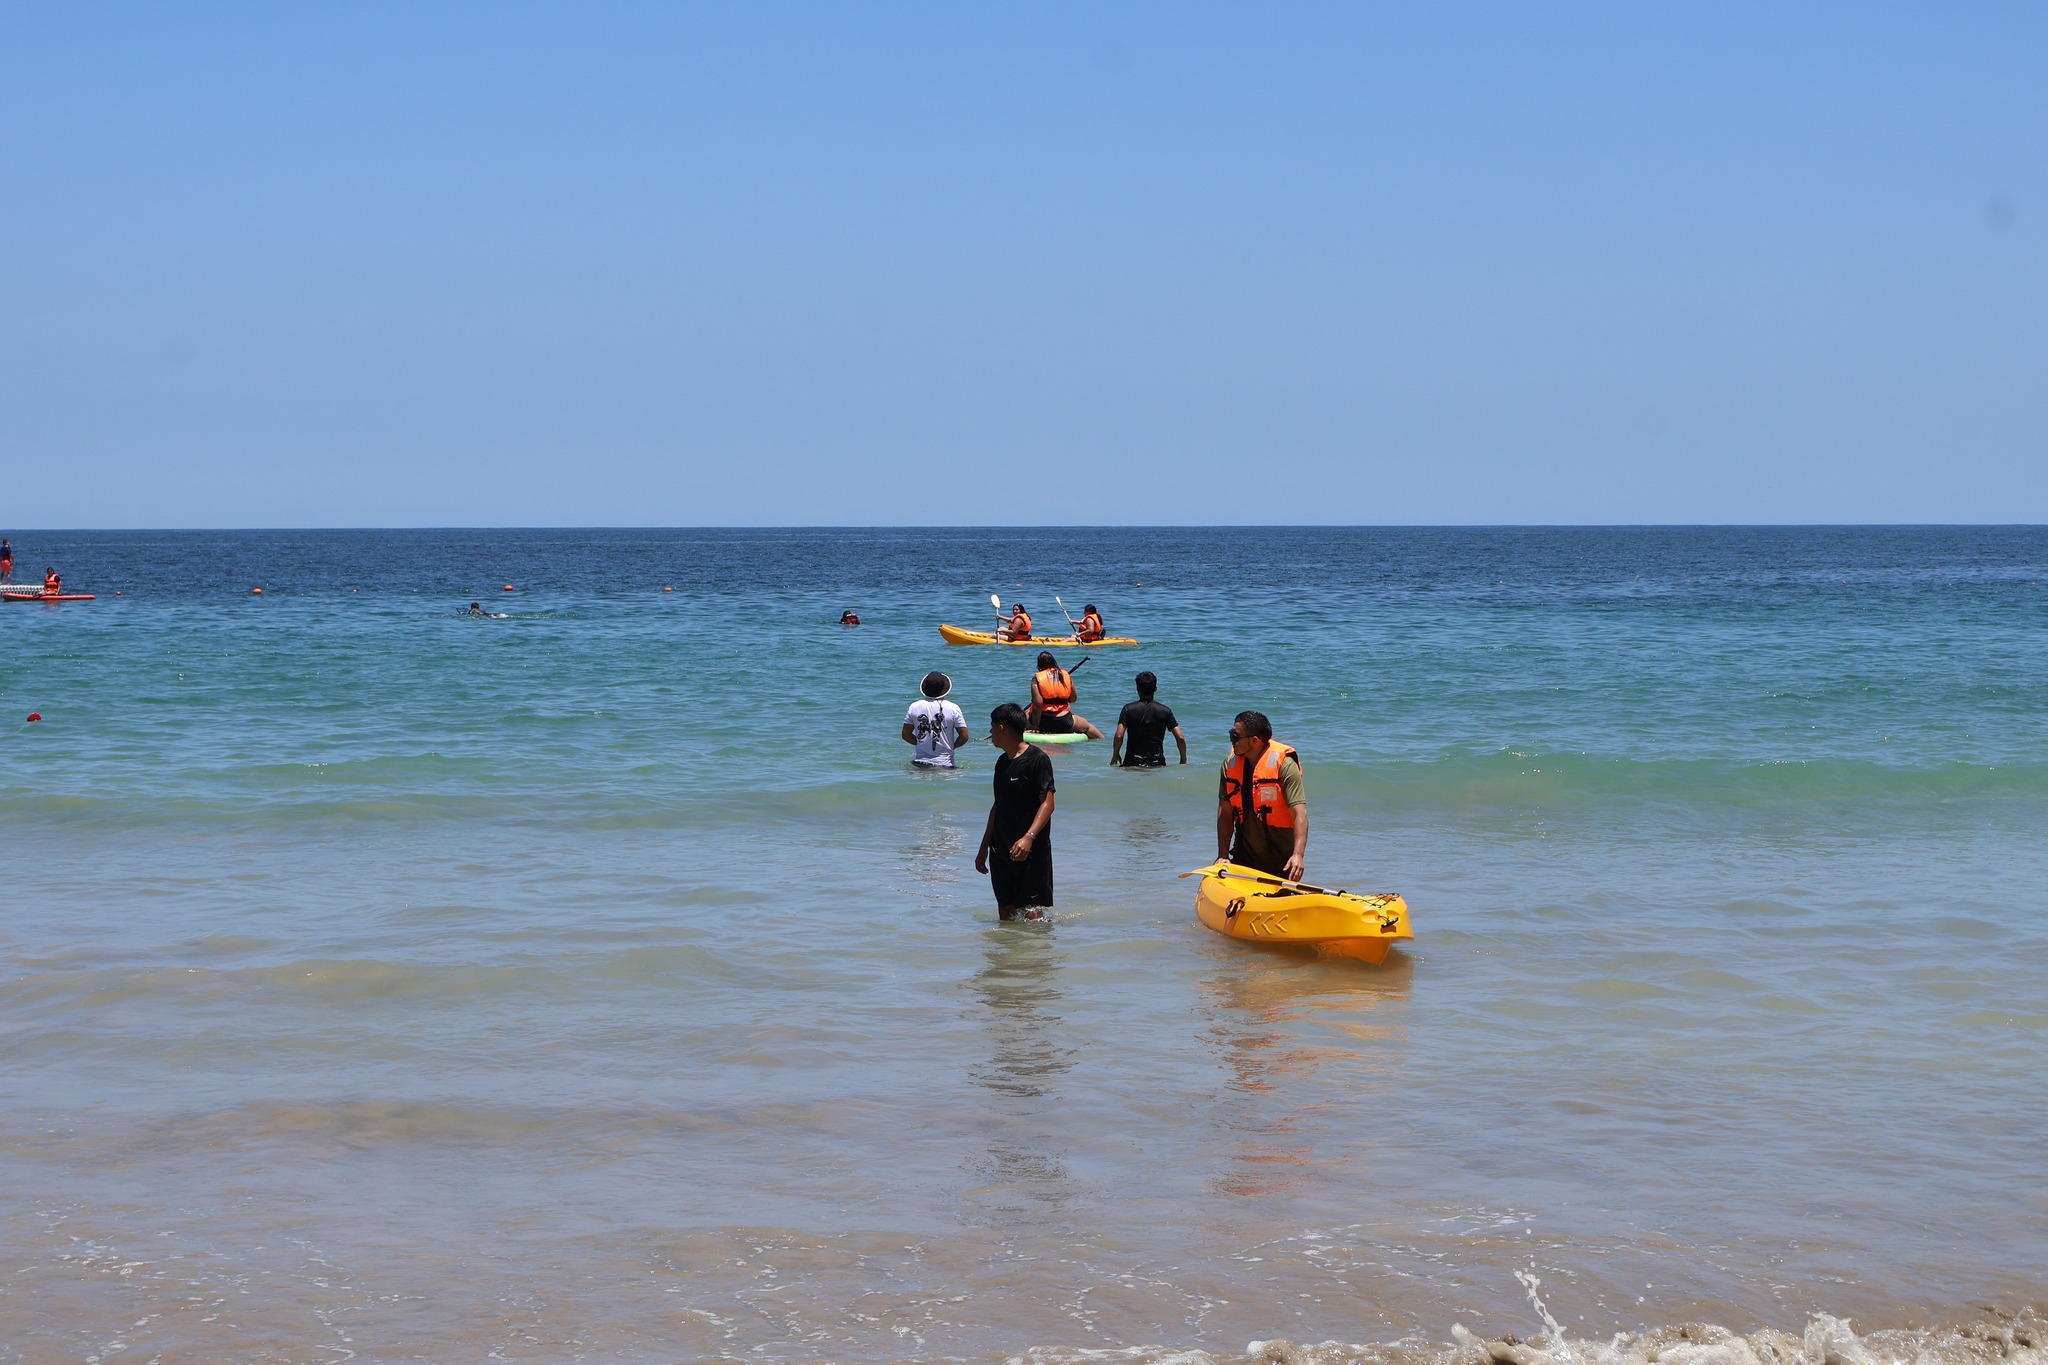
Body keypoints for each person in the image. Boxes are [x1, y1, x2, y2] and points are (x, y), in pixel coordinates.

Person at [975, 702, 1055, 920]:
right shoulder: (1002, 762)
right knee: (1006, 912)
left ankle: (1035, 953)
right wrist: (983, 848)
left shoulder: (1038, 759)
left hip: (1031, 851)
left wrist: (1028, 838)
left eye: (991, 727)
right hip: (1001, 850)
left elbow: (1048, 803)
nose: (990, 733)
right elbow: (997, 805)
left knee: (1032, 913)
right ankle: (1009, 953)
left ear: (1001, 729)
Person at [1215, 710, 1307, 881]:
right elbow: (1225, 812)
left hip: (1282, 862)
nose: (1231, 740)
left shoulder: (1285, 766)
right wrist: (1223, 855)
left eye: (1235, 736)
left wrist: (1298, 855)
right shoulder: (1229, 765)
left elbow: (1299, 813)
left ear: (1254, 740)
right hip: (1243, 859)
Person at [1112, 671, 1187, 767]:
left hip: (1132, 762)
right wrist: (1183, 759)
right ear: (1156, 688)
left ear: (1137, 689)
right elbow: (1180, 737)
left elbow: (1119, 736)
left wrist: (1115, 754)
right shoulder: (1165, 711)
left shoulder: (1128, 709)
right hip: (1157, 764)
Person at [1027, 651, 1104, 739]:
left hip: (1044, 722)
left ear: (1039, 666)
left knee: (1020, 717)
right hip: (1065, 721)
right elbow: (1073, 699)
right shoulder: (1065, 675)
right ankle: (1104, 743)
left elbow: (1038, 704)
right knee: (1088, 727)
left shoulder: (1037, 678)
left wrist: (1036, 727)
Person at [902, 671, 969, 768]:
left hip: (920, 763)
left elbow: (905, 734)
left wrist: (921, 744)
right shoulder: (953, 708)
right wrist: (951, 747)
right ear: (945, 689)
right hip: (946, 764)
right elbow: (964, 736)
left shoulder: (914, 707)